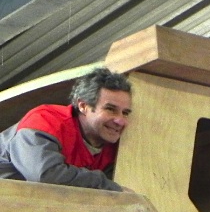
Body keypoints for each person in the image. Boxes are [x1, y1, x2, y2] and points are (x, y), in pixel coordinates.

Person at [0, 67, 132, 191]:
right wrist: (110, 186)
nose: (120, 120)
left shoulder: (116, 150)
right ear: (83, 106)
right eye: (110, 109)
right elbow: (46, 176)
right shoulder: (45, 120)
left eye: (125, 113)